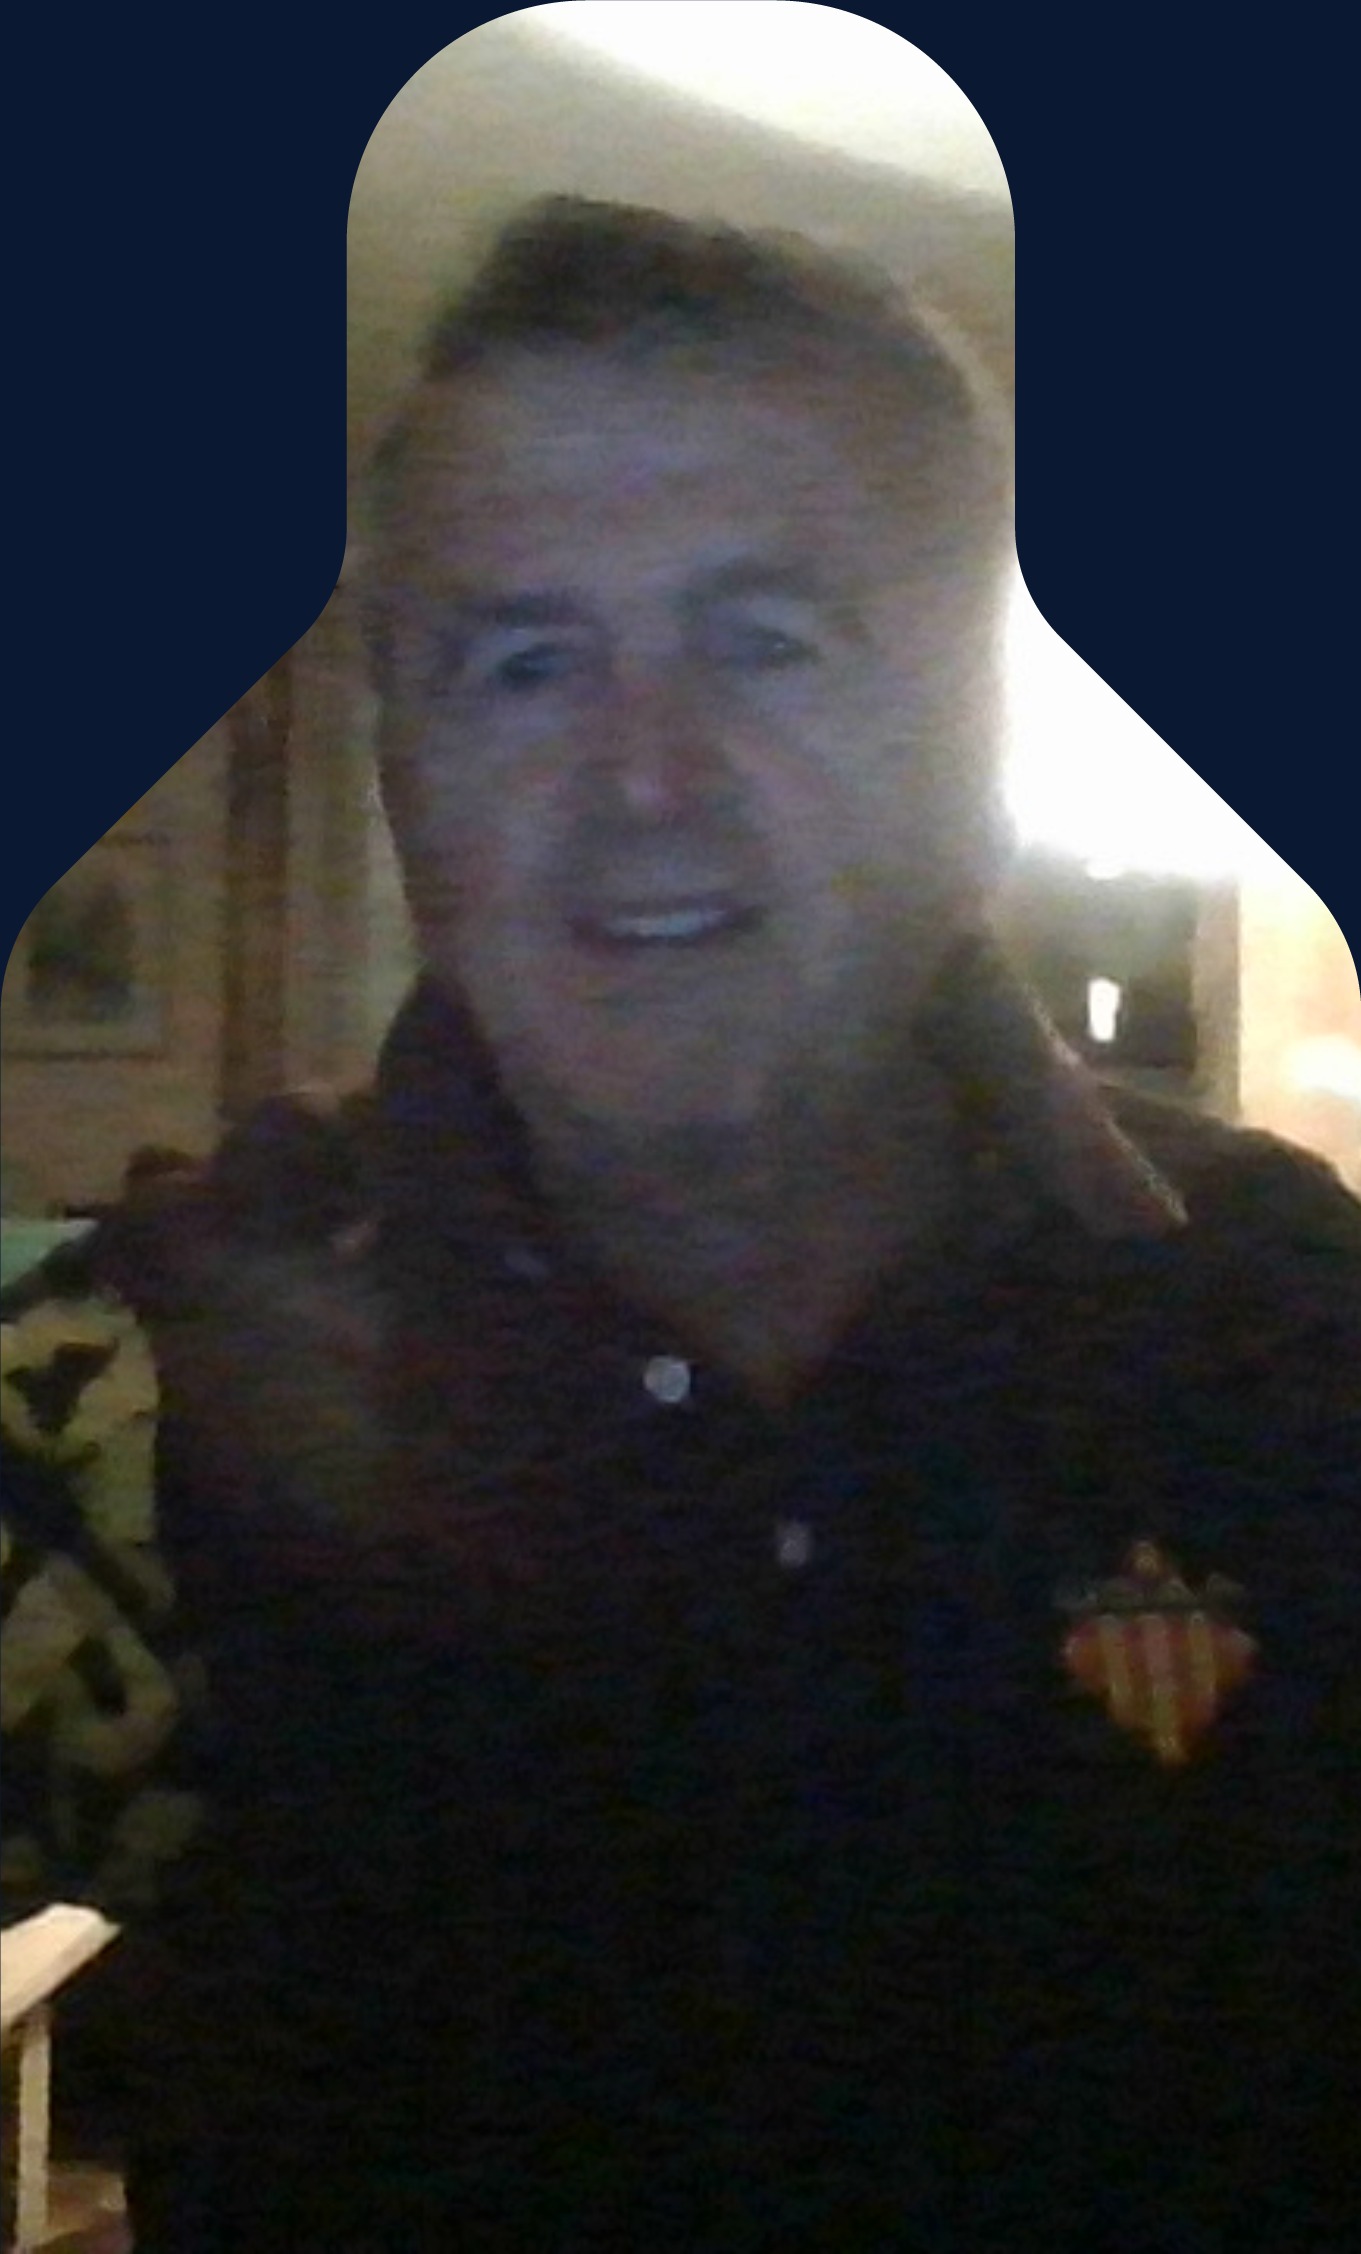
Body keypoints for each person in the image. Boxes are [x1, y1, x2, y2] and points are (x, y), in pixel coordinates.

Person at [23, 200, 1361, 2249]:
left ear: (982, 732)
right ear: (403, 767)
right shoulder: (129, 1394)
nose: (644, 782)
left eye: (766, 642)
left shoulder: (1293, 1334)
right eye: (524, 662)